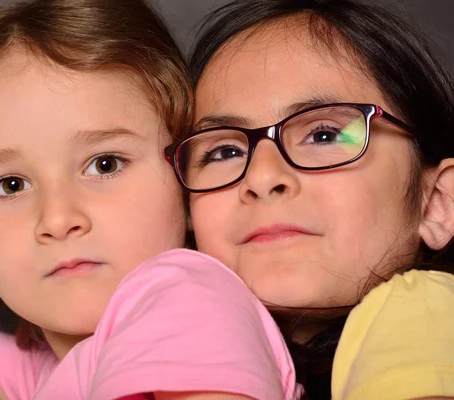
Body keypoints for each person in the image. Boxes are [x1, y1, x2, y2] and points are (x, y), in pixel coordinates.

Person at [0, 0, 302, 399]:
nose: (58, 218)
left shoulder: (185, 300)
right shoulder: (49, 367)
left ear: (185, 179)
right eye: (10, 185)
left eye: (104, 164)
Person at [163, 0, 454, 398]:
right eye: (225, 152)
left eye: (324, 134)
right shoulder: (161, 340)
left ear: (437, 202)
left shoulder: (430, 321)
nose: (263, 177)